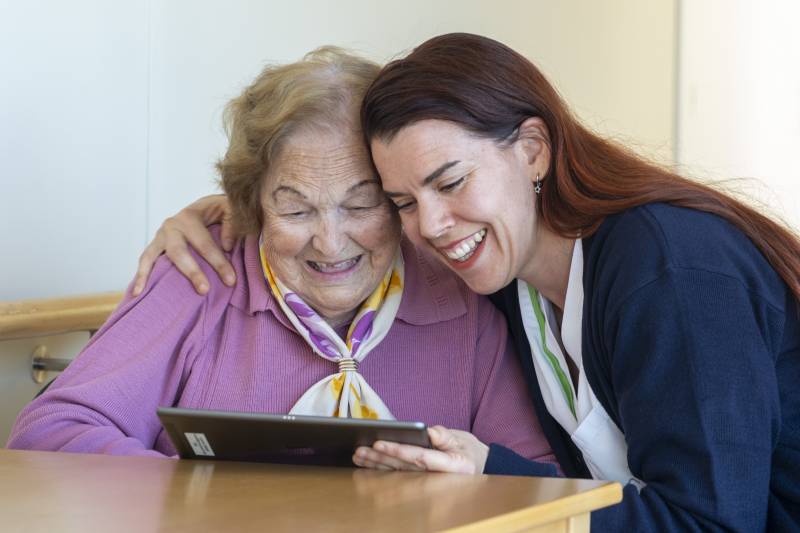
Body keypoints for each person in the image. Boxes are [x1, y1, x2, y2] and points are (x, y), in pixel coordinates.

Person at [141, 34, 800, 531]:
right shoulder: (510, 284)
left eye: (450, 182)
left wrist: (493, 474)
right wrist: (235, 212)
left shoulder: (668, 266)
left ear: (534, 150)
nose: (430, 225)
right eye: (400, 201)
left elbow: (711, 524)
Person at [6, 47, 554, 468]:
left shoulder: (458, 291)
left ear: (397, 197)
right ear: (254, 203)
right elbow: (49, 434)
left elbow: (537, 480)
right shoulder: (202, 271)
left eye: (361, 204)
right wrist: (208, 496)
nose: (331, 242)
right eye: (295, 211)